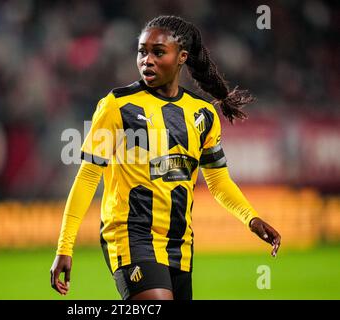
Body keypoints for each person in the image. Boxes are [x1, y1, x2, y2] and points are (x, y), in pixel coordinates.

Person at [50, 15, 281, 300]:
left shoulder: (202, 114)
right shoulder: (116, 106)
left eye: (158, 52)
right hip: (131, 237)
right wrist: (65, 246)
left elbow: (219, 182)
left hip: (180, 245)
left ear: (182, 56)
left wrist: (251, 218)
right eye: (142, 51)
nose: (147, 59)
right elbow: (87, 176)